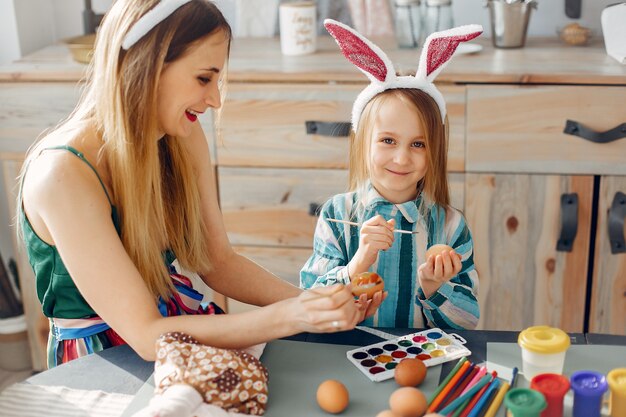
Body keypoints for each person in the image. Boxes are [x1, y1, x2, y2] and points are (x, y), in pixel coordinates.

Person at [18, 0, 375, 368]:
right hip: (104, 362)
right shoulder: (62, 175)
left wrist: (318, 303)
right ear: (146, 64)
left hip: (180, 329)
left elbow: (218, 262)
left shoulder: (179, 135)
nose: (215, 100)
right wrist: (292, 316)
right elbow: (145, 335)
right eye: (204, 78)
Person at [300, 20, 482, 330]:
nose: (401, 157)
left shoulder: (451, 227)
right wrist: (360, 261)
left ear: (434, 151)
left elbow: (468, 322)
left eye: (418, 144)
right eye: (388, 140)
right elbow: (310, 305)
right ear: (362, 144)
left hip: (423, 361)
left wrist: (432, 285)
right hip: (348, 356)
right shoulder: (336, 216)